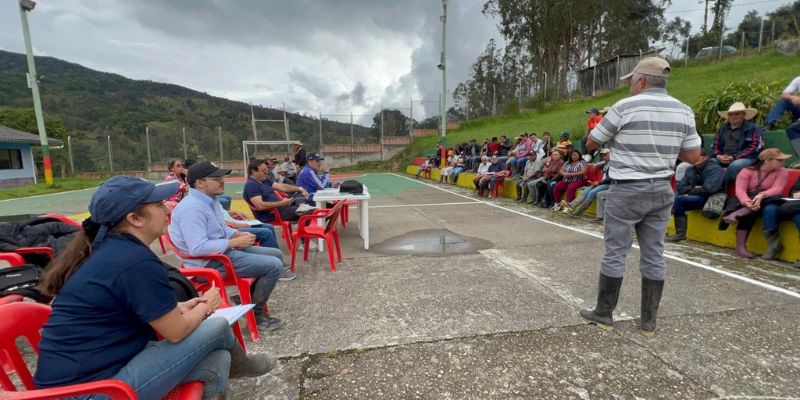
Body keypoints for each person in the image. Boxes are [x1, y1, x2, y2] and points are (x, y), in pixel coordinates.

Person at [34, 176, 275, 400]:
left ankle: (237, 365)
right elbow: (177, 332)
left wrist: (179, 306)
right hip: (91, 391)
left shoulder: (112, 250)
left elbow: (123, 307)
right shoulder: (133, 260)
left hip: (98, 376)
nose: (167, 209)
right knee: (218, 325)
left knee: (219, 359)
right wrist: (206, 307)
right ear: (135, 219)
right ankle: (244, 366)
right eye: (159, 205)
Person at [579, 57, 702, 337]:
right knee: (654, 253)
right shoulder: (684, 111)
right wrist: (665, 149)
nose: (631, 87)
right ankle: (648, 321)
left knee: (615, 252)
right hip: (661, 188)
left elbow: (591, 142)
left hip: (627, 189)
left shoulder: (624, 107)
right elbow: (694, 156)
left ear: (642, 81)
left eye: (632, 81)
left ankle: (604, 312)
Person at [170, 161, 291, 331]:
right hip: (210, 262)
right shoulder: (192, 209)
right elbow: (197, 248)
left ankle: (247, 299)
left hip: (222, 253)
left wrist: (236, 234)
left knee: (276, 254)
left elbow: (220, 228)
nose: (222, 181)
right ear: (200, 183)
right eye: (216, 178)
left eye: (222, 177)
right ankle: (256, 316)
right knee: (274, 266)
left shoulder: (209, 201)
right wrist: (232, 242)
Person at [720, 148, 791, 258]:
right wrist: (747, 202)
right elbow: (740, 190)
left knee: (769, 201)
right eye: (779, 160)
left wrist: (762, 195)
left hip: (769, 200)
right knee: (752, 211)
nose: (783, 162)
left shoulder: (783, 172)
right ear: (767, 160)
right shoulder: (747, 171)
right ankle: (740, 247)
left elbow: (777, 189)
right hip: (748, 201)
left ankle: (738, 214)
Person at [665, 149, 724, 242]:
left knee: (678, 200)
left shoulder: (714, 168)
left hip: (710, 198)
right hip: (697, 197)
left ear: (705, 157)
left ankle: (679, 234)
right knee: (674, 199)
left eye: (697, 156)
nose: (693, 158)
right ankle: (679, 234)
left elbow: (709, 189)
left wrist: (690, 190)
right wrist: (695, 188)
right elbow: (681, 187)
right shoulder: (690, 169)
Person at [243, 159, 313, 224]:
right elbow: (260, 205)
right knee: (311, 213)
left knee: (300, 194)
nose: (266, 172)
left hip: (282, 208)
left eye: (266, 170)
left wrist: (300, 189)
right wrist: (281, 203)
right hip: (274, 214)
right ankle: (306, 232)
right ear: (254, 172)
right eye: (263, 170)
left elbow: (282, 186)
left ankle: (302, 206)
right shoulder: (251, 185)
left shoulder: (264, 180)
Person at [711, 102, 764, 181]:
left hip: (748, 158)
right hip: (723, 158)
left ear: (744, 114)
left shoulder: (753, 128)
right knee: (710, 163)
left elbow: (756, 147)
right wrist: (718, 156)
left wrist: (734, 157)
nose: (733, 116)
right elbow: (715, 145)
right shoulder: (722, 129)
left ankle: (728, 189)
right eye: (731, 114)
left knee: (735, 166)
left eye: (737, 114)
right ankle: (714, 189)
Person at [761, 178, 800, 266]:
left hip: (796, 209)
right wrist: (796, 194)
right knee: (770, 209)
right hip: (793, 205)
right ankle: (774, 246)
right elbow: (794, 191)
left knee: (798, 216)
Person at [764, 75, 800, 162]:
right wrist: (792, 97)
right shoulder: (798, 80)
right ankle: (769, 124)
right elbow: (784, 94)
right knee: (784, 101)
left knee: (793, 129)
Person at [566, 148, 612, 216]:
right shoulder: (606, 163)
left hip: (610, 184)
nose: (603, 156)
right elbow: (601, 163)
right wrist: (596, 165)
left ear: (611, 154)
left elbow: (611, 178)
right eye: (602, 155)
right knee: (587, 190)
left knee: (591, 192)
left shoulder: (613, 164)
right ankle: (572, 205)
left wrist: (599, 183)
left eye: (605, 155)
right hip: (603, 183)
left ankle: (579, 211)